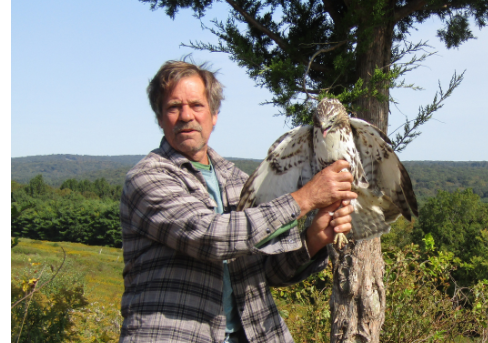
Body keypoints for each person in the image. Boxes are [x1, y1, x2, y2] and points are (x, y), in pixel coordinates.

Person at [118, 60, 358, 343]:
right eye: (173, 107)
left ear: (214, 114)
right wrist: (304, 198)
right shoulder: (147, 178)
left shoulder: (237, 180)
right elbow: (210, 236)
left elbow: (266, 272)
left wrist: (314, 238)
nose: (186, 116)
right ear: (159, 117)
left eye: (197, 105)